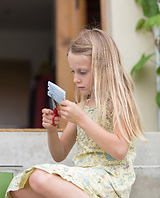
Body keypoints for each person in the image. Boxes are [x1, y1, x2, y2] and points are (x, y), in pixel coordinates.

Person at [6, 28, 146, 198]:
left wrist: (81, 119)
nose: (75, 79)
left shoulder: (119, 101)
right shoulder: (82, 106)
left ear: (104, 68)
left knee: (37, 178)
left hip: (109, 179)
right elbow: (60, 154)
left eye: (82, 72)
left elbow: (119, 150)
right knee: (18, 190)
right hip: (83, 177)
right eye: (73, 71)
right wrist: (51, 130)